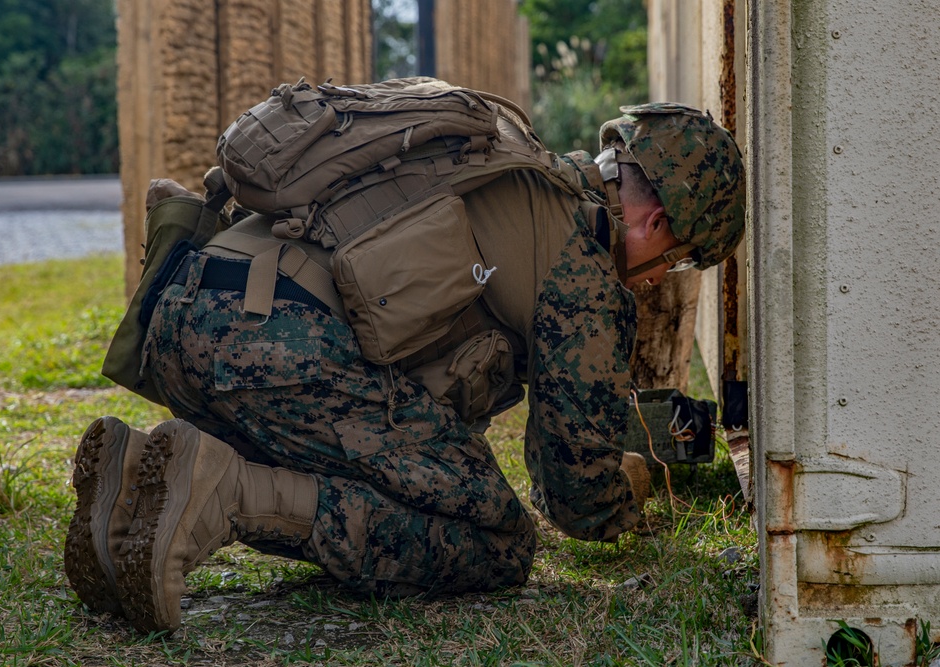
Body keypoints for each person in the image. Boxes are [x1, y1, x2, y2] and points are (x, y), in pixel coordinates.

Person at [64, 100, 745, 632]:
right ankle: (224, 493)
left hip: (188, 315)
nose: (660, 279)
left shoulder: (511, 164)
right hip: (279, 349)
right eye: (680, 257)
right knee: (497, 538)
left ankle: (131, 485)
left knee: (416, 461)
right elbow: (578, 496)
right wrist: (637, 505)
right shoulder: (587, 268)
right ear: (655, 222)